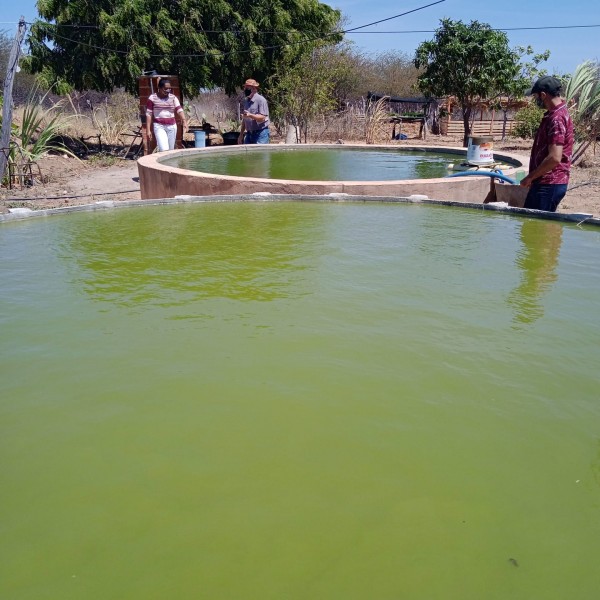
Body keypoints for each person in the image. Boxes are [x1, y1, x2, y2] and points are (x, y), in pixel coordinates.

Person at [520, 76, 574, 212]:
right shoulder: (556, 114)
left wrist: (530, 177)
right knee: (536, 229)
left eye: (536, 97)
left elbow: (554, 158)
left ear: (543, 95)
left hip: (548, 184)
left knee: (536, 229)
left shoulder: (556, 119)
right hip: (546, 183)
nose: (536, 100)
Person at [146, 78, 187, 152]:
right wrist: (148, 130)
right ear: (159, 88)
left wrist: (184, 121)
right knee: (164, 149)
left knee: (170, 150)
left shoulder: (173, 98)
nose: (168, 91)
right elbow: (149, 114)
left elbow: (179, 109)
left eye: (169, 89)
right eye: (165, 89)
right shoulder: (152, 98)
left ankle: (170, 164)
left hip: (172, 126)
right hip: (159, 126)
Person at [238, 78, 270, 144]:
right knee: (248, 154)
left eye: (247, 88)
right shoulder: (247, 101)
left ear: (254, 88)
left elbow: (263, 117)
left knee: (260, 154)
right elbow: (245, 120)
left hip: (261, 134)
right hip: (249, 134)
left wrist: (250, 115)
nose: (245, 89)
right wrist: (241, 135)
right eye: (245, 87)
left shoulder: (261, 100)